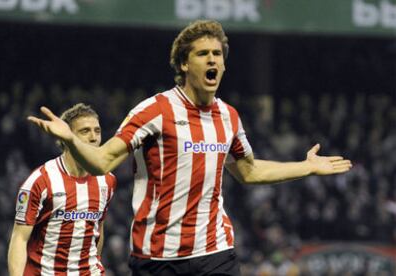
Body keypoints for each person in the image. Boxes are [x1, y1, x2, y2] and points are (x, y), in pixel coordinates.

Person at [28, 20, 352, 276]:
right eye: (202, 54)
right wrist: (71, 139)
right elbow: (101, 161)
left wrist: (306, 166)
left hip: (215, 252)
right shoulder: (154, 111)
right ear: (184, 63)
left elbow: (249, 171)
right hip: (158, 257)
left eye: (218, 54)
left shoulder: (229, 116)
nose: (213, 59)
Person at [9, 103, 117, 275]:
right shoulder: (40, 181)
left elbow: (98, 228)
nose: (93, 137)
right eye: (85, 131)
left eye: (97, 131)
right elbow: (19, 239)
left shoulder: (107, 180)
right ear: (66, 137)